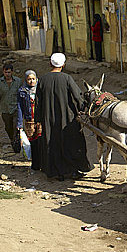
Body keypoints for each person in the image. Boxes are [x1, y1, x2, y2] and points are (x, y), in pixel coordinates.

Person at [35, 53, 92, 181]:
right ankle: (72, 170)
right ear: (63, 65)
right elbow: (77, 97)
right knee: (71, 142)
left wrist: (38, 120)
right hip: (67, 117)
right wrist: (83, 109)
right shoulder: (67, 78)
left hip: (48, 118)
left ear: (50, 64)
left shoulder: (43, 80)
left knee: (52, 142)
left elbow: (38, 102)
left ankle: (55, 172)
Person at [0, 63, 22, 152]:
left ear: (12, 72)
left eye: (9, 72)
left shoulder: (18, 81)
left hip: (16, 109)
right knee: (8, 127)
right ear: (3, 72)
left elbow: (23, 94)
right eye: (6, 72)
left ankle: (16, 144)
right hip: (5, 110)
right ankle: (12, 140)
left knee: (16, 127)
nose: (7, 74)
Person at [17, 70, 42, 171]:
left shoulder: (41, 89)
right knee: (33, 142)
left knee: (41, 140)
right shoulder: (22, 91)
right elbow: (19, 107)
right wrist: (19, 123)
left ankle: (43, 163)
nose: (31, 81)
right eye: (29, 79)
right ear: (26, 80)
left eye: (33, 79)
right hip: (29, 120)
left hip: (40, 120)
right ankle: (35, 164)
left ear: (36, 79)